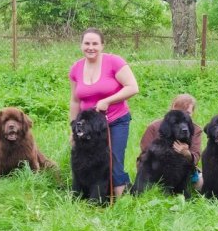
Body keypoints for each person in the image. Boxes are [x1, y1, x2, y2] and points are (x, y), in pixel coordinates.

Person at [69, 27, 139, 197]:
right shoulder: (76, 68)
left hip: (115, 120)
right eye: (87, 43)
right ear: (81, 45)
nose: (90, 47)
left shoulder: (114, 62)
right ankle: (91, 194)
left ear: (102, 45)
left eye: (95, 43)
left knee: (113, 159)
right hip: (87, 125)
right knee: (86, 160)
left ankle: (120, 200)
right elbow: (75, 100)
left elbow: (133, 87)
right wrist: (72, 130)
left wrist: (108, 100)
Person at [139, 94, 203, 191]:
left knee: (201, 184)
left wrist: (186, 153)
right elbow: (144, 156)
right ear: (172, 109)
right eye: (179, 112)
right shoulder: (154, 127)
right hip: (155, 171)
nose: (183, 116)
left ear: (193, 113)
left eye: (187, 113)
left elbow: (196, 157)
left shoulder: (195, 129)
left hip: (184, 172)